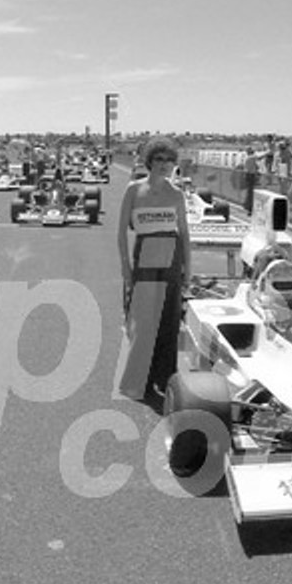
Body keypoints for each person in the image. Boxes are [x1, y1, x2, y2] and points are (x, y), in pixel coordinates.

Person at [116, 136, 190, 401]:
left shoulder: (177, 194)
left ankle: (166, 379)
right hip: (144, 259)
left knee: (169, 323)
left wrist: (187, 269)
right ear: (149, 162)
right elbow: (121, 233)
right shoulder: (134, 190)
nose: (164, 165)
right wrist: (126, 268)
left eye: (169, 160)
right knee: (143, 322)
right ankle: (138, 382)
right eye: (159, 159)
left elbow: (184, 233)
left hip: (171, 258)